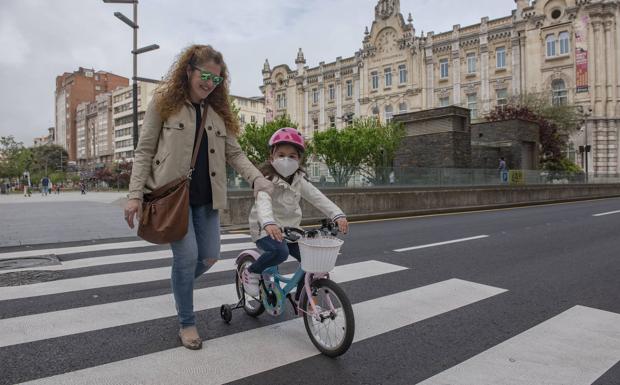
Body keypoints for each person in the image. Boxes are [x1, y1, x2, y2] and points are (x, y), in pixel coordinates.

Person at [123, 44, 273, 350]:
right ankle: (187, 323)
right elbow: (144, 151)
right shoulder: (164, 103)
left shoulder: (216, 112)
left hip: (207, 199)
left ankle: (180, 286)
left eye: (216, 79)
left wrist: (256, 177)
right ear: (189, 70)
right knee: (187, 256)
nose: (209, 82)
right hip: (173, 198)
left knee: (209, 256)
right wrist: (134, 195)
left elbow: (234, 153)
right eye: (205, 75)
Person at [243, 128, 349, 297]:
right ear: (271, 158)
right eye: (281, 155)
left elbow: (317, 197)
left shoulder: (299, 181)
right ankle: (252, 272)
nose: (286, 160)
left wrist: (337, 214)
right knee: (280, 252)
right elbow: (263, 202)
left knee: (310, 260)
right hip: (264, 229)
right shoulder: (265, 180)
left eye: (292, 156)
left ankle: (303, 298)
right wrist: (268, 223)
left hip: (291, 229)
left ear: (299, 160)